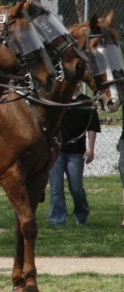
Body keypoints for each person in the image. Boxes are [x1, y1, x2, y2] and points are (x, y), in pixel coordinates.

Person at [49, 82, 100, 225]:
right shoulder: (58, 101)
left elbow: (92, 127)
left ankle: (81, 214)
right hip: (57, 151)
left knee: (76, 188)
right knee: (56, 188)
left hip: (76, 152)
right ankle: (57, 220)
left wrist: (90, 148)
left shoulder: (86, 102)